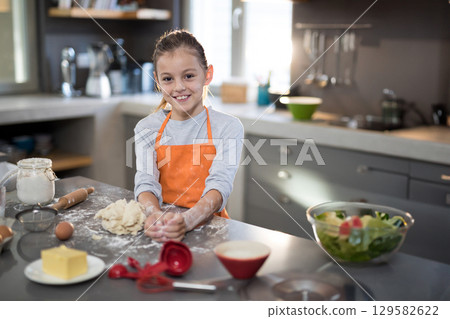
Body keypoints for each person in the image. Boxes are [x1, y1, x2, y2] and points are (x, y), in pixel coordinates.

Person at [134, 29, 244, 242]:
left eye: (189, 76)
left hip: (211, 230)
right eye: (168, 79)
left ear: (207, 74)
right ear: (157, 80)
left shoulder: (228, 127)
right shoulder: (147, 128)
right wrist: (154, 214)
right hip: (164, 228)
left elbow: (220, 185)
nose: (179, 87)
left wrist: (189, 219)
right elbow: (146, 182)